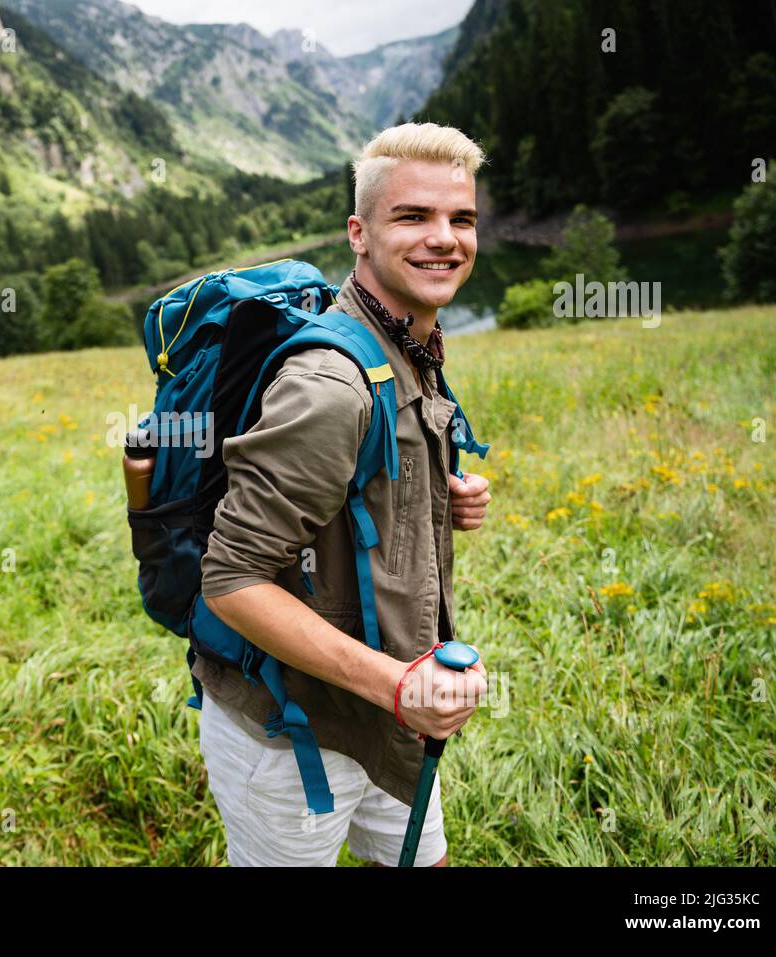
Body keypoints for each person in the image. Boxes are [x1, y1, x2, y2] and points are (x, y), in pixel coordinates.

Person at [195, 122, 493, 867]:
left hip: (387, 713)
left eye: (461, 218)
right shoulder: (330, 385)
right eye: (413, 216)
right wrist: (398, 686)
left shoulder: (412, 338)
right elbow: (230, 579)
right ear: (359, 232)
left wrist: (437, 492)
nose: (444, 238)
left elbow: (357, 487)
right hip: (292, 735)